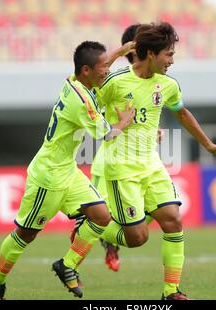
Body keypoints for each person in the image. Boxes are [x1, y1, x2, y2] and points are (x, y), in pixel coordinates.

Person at [0, 41, 135, 300]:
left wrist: (121, 51)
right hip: (49, 177)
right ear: (86, 70)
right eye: (103, 68)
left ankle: (66, 265)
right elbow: (108, 134)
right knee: (26, 235)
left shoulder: (73, 80)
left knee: (101, 216)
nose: (107, 71)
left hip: (67, 170)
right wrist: (124, 121)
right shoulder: (83, 102)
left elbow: (100, 63)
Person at [93, 22, 216, 300]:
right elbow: (89, 97)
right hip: (121, 168)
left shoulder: (167, 85)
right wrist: (113, 126)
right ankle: (95, 227)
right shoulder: (116, 81)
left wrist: (208, 144)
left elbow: (182, 114)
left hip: (152, 165)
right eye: (168, 54)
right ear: (151, 54)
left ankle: (171, 292)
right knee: (138, 238)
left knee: (173, 220)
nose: (172, 60)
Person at [70, 24, 160, 273]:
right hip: (111, 163)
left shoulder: (146, 80)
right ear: (136, 48)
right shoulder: (113, 79)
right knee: (101, 218)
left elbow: (142, 113)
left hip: (137, 163)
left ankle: (106, 246)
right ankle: (71, 267)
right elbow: (87, 84)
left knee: (148, 212)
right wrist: (120, 51)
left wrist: (149, 130)